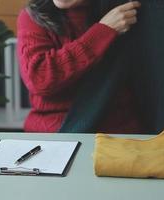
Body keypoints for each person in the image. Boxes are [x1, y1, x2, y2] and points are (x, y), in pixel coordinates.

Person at [17, 0, 141, 133]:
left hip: (116, 132)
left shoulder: (124, 13)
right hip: (52, 134)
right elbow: (39, 78)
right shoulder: (33, 16)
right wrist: (103, 32)